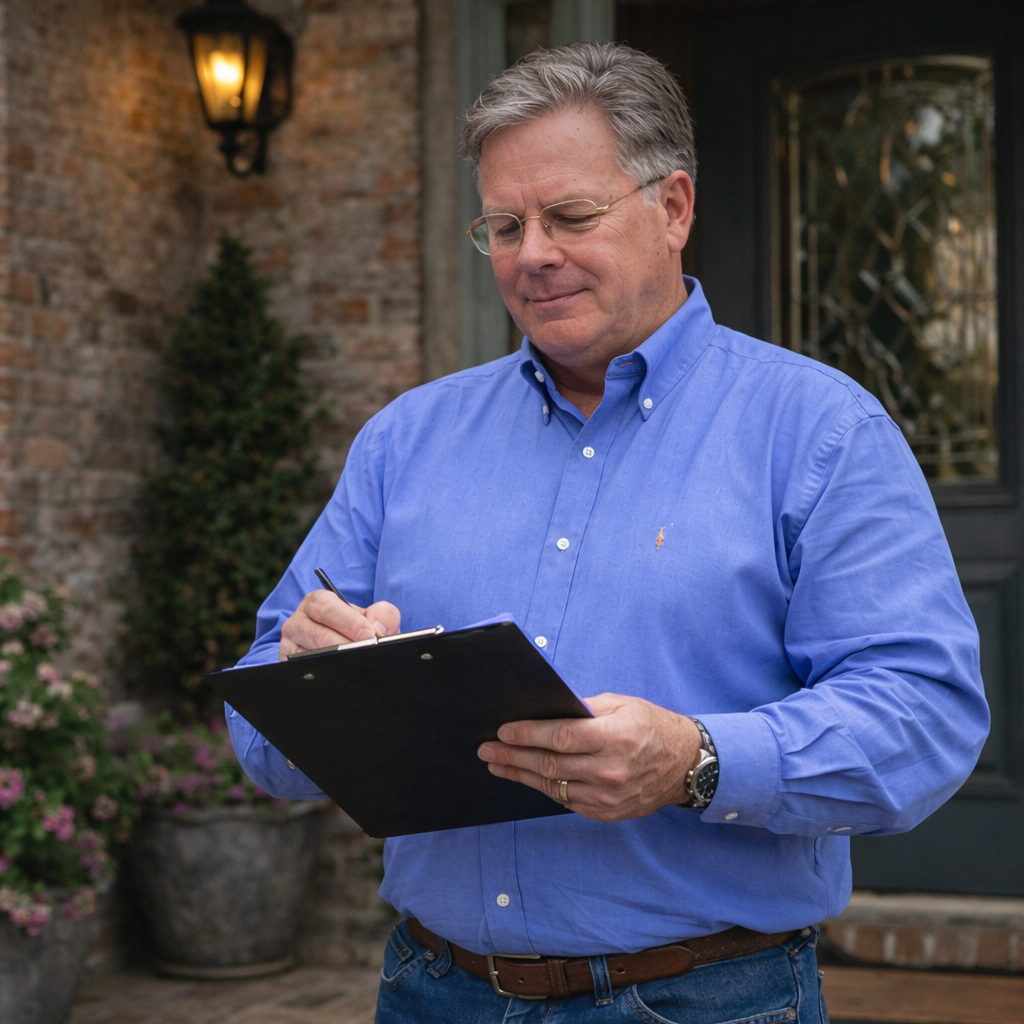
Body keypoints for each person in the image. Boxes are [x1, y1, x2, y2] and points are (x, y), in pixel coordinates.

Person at [226, 42, 988, 1024]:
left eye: (569, 215)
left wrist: (699, 759)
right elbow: (258, 730)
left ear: (672, 208)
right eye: (503, 224)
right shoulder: (405, 439)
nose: (531, 252)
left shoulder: (820, 432)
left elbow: (924, 720)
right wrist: (305, 678)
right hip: (430, 992)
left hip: (709, 998)